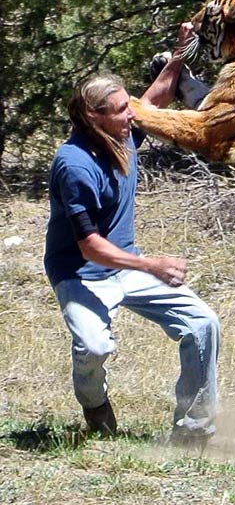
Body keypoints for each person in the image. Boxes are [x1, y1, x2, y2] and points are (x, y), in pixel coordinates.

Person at [44, 23, 220, 446]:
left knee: (203, 323)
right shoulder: (75, 165)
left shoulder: (122, 132)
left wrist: (179, 55)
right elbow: (91, 246)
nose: (133, 114)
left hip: (126, 264)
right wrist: (152, 265)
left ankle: (192, 431)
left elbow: (155, 98)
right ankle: (95, 405)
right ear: (93, 117)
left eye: (129, 106)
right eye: (122, 109)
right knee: (95, 348)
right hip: (82, 273)